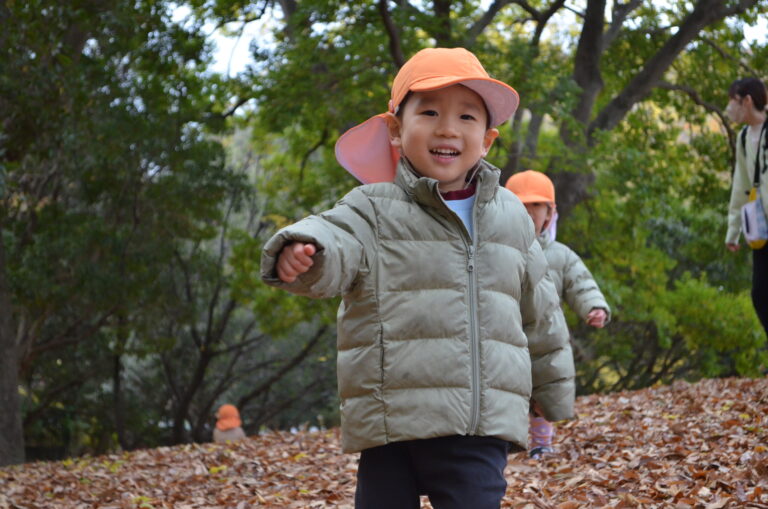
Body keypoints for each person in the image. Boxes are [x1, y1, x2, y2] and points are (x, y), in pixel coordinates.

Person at [260, 47, 575, 509]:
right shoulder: (373, 206)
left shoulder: (509, 214)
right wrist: (307, 251)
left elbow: (539, 308)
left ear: (486, 140)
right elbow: (336, 237)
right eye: (429, 112)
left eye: (466, 117)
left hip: (476, 419)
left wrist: (552, 389)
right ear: (395, 128)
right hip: (391, 418)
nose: (448, 128)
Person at [505, 170, 611, 459]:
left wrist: (594, 307)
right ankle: (502, 439)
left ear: (550, 214)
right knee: (505, 389)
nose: (528, 214)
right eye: (520, 207)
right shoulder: (497, 250)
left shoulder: (560, 255)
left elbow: (581, 282)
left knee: (544, 391)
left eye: (536, 207)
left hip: (545, 334)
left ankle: (541, 442)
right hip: (506, 331)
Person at [724, 77, 768, 338]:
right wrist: (733, 230)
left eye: (733, 101)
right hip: (761, 228)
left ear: (747, 101)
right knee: (761, 294)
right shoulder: (743, 138)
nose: (730, 108)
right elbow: (740, 185)